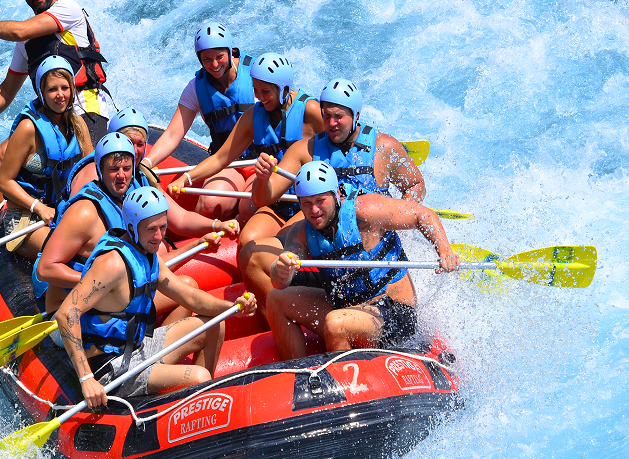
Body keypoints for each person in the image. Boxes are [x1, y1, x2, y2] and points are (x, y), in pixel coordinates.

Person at [0, 0, 110, 244]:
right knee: (0, 156)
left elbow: (20, 29)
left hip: (85, 109)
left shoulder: (68, 10)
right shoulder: (25, 45)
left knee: (80, 173)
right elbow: (6, 91)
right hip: (52, 118)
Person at [55, 186, 257, 406]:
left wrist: (233, 308)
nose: (159, 237)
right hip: (110, 365)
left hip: (137, 347)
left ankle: (194, 406)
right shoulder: (112, 264)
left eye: (163, 227)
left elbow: (189, 296)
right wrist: (86, 379)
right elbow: (66, 314)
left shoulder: (147, 254)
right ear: (131, 227)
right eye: (152, 229)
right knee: (200, 377)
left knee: (215, 325)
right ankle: (186, 405)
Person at [239, 77, 425, 312]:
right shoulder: (305, 149)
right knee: (250, 254)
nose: (331, 123)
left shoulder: (384, 148)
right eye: (326, 116)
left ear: (356, 115)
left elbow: (416, 184)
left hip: (368, 251)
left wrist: (397, 215)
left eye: (339, 116)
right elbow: (263, 198)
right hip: (324, 247)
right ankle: (280, 318)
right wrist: (263, 178)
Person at [263, 162, 459, 360]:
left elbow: (421, 214)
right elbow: (280, 280)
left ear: (335, 195)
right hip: (347, 309)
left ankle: (346, 384)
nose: (314, 210)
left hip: (393, 316)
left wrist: (445, 251)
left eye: (320, 200)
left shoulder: (366, 211)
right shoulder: (300, 233)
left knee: (335, 323)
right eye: (306, 203)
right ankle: (297, 373)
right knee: (276, 299)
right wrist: (281, 269)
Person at [36, 133, 223, 320]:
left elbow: (151, 266)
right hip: (73, 310)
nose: (121, 176)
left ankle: (149, 347)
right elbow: (45, 269)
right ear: (100, 170)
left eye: (126, 168)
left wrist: (197, 244)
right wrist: (100, 283)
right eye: (113, 169)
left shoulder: (129, 203)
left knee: (187, 286)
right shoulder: (85, 212)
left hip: (109, 300)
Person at [168, 52, 323, 248]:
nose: (258, 98)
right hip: (276, 201)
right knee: (246, 243)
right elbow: (221, 158)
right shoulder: (253, 116)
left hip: (308, 202)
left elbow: (342, 142)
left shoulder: (311, 111)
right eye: (255, 90)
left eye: (265, 92)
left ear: (283, 88)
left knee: (289, 244)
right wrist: (187, 177)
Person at [66, 107, 241, 252]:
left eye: (140, 144)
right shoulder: (93, 173)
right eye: (128, 142)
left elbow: (180, 219)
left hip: (123, 257)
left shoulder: (140, 176)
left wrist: (218, 225)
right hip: (100, 262)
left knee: (161, 248)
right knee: (161, 249)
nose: (134, 151)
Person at [142, 22, 255, 219]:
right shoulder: (195, 88)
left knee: (250, 206)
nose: (214, 65)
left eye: (220, 57)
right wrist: (146, 162)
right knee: (210, 203)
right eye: (207, 59)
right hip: (227, 162)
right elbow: (172, 134)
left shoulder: (256, 75)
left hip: (264, 160)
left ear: (230, 51)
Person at [0, 56, 92, 259]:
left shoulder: (78, 125)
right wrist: (38, 207)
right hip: (25, 217)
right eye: (52, 89)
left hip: (62, 209)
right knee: (69, 254)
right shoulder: (28, 128)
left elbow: (91, 170)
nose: (60, 95)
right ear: (41, 92)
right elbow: (4, 181)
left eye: (65, 88)